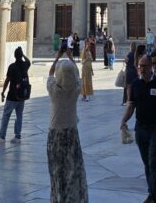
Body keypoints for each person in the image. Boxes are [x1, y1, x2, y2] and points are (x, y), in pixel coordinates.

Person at [120, 53, 156, 203]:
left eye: (144, 66)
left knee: (153, 161)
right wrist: (124, 120)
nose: (141, 69)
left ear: (151, 67)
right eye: (140, 66)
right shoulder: (135, 85)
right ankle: (152, 192)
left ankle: (152, 196)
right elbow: (131, 106)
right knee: (146, 163)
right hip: (141, 128)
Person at [46, 48, 88, 203]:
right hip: (71, 132)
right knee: (72, 168)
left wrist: (58, 56)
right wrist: (70, 56)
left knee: (57, 170)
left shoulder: (54, 91)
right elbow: (77, 74)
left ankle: (58, 198)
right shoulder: (76, 89)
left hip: (55, 134)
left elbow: (50, 73)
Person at [0, 46, 31, 140]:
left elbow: (7, 80)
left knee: (6, 115)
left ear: (14, 56)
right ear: (21, 55)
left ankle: (2, 135)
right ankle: (18, 134)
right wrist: (23, 55)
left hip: (12, 95)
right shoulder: (25, 65)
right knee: (19, 115)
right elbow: (28, 61)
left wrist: (3, 92)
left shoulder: (12, 67)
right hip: (22, 95)